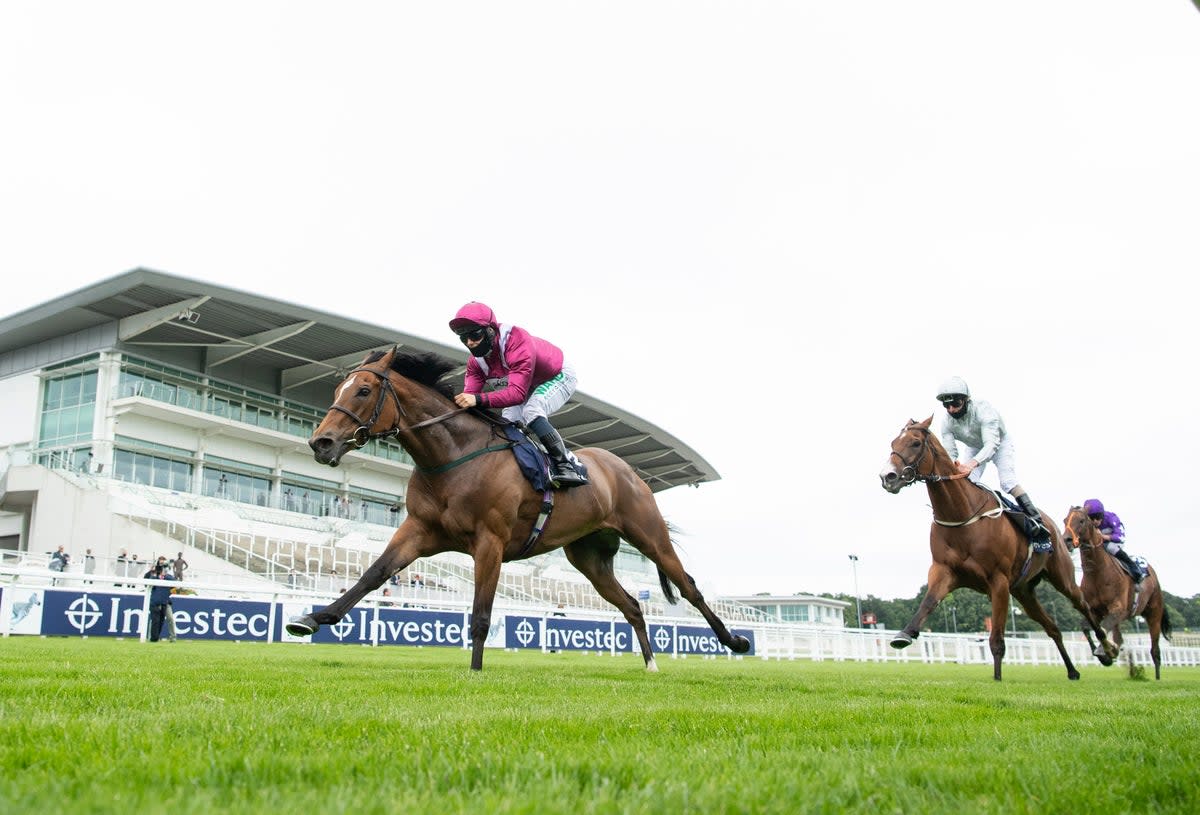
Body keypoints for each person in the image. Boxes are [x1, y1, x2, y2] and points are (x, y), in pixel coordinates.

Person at [448, 301, 588, 488]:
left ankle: (566, 464)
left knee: (532, 410)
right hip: (526, 383)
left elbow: (517, 394)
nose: (470, 342)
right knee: (508, 422)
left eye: (474, 334)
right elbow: (469, 398)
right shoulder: (475, 363)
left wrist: (477, 399)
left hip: (557, 375)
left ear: (490, 330)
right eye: (463, 338)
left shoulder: (515, 340)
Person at [935, 376, 1051, 552]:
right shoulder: (946, 422)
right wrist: (955, 465)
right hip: (974, 447)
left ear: (966, 399)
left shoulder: (984, 410)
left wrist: (972, 463)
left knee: (1008, 482)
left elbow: (991, 445)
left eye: (956, 403)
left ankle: (1039, 525)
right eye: (946, 405)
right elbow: (950, 452)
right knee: (967, 483)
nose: (951, 409)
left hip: (999, 444)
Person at [1083, 498, 1146, 583]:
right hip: (1098, 543)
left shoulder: (1111, 518)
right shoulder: (1085, 524)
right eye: (1091, 518)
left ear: (1102, 514)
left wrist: (1103, 536)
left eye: (1098, 517)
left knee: (1110, 547)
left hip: (1114, 542)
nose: (1095, 521)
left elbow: (1120, 537)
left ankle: (1134, 568)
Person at [143, 562, 175, 642]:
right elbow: (147, 583)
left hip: (165, 602)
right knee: (155, 621)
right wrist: (152, 572)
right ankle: (153, 638)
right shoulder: (154, 577)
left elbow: (174, 582)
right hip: (155, 602)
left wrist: (164, 575)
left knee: (161, 621)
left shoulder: (168, 577)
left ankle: (159, 637)